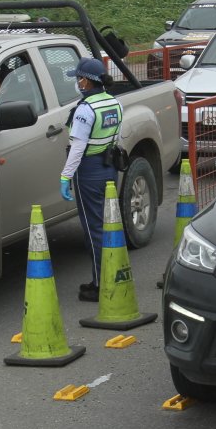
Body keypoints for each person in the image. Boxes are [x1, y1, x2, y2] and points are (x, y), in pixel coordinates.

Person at [60, 56, 123, 302]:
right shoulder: (114, 103)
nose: (77, 82)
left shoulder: (85, 110)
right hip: (109, 167)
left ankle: (100, 283)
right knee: (109, 224)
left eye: (78, 78)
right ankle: (113, 274)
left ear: (86, 81)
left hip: (89, 171)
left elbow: (77, 148)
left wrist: (65, 176)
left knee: (94, 228)